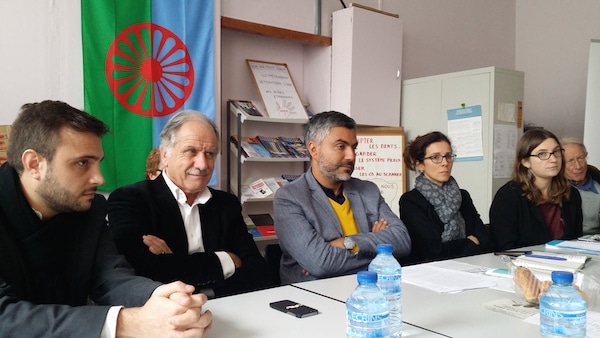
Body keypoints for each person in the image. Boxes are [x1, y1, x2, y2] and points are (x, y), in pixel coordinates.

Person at [0, 100, 211, 337]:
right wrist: (125, 323)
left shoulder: (90, 209)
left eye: (98, 163)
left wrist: (163, 299)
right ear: (34, 164)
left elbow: (110, 277)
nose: (100, 178)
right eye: (82, 163)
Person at [108, 110, 269, 298]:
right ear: (165, 155)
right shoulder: (130, 199)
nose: (202, 164)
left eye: (210, 154)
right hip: (164, 315)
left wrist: (174, 263)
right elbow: (141, 270)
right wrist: (227, 259)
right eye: (190, 151)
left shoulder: (227, 204)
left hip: (226, 306)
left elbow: (259, 272)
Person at [273, 111, 411, 284]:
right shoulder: (289, 198)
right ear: (314, 150)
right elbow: (321, 263)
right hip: (315, 296)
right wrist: (377, 248)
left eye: (354, 147)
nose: (351, 156)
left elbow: (402, 241)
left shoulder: (368, 190)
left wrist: (347, 243)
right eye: (341, 146)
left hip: (370, 290)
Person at [399, 131, 492, 265]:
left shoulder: (463, 196)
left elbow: (485, 242)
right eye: (435, 157)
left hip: (470, 267)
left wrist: (454, 247)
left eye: (448, 156)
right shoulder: (411, 201)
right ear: (420, 164)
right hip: (428, 273)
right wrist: (468, 242)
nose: (445, 163)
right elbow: (433, 252)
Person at [489, 129, 583, 250]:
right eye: (542, 154)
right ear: (525, 161)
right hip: (524, 265)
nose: (553, 159)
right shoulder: (508, 196)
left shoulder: (571, 193)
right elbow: (506, 248)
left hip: (567, 264)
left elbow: (576, 241)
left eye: (556, 152)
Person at [561, 137, 600, 235]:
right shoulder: (555, 190)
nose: (578, 166)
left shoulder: (598, 186)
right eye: (570, 161)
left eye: (581, 158)